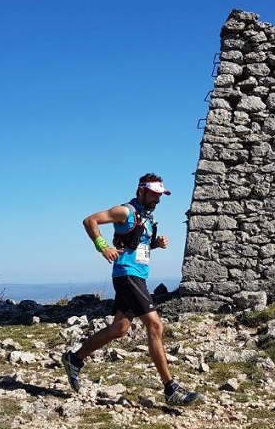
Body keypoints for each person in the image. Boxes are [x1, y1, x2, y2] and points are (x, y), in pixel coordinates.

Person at [62, 173, 202, 405]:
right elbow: (90, 221)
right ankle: (171, 389)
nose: (157, 199)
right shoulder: (125, 211)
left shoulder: (147, 218)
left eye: (160, 195)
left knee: (119, 329)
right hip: (127, 276)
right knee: (156, 325)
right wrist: (102, 246)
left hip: (137, 277)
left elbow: (135, 247)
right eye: (154, 194)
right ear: (141, 191)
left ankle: (74, 359)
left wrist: (155, 244)